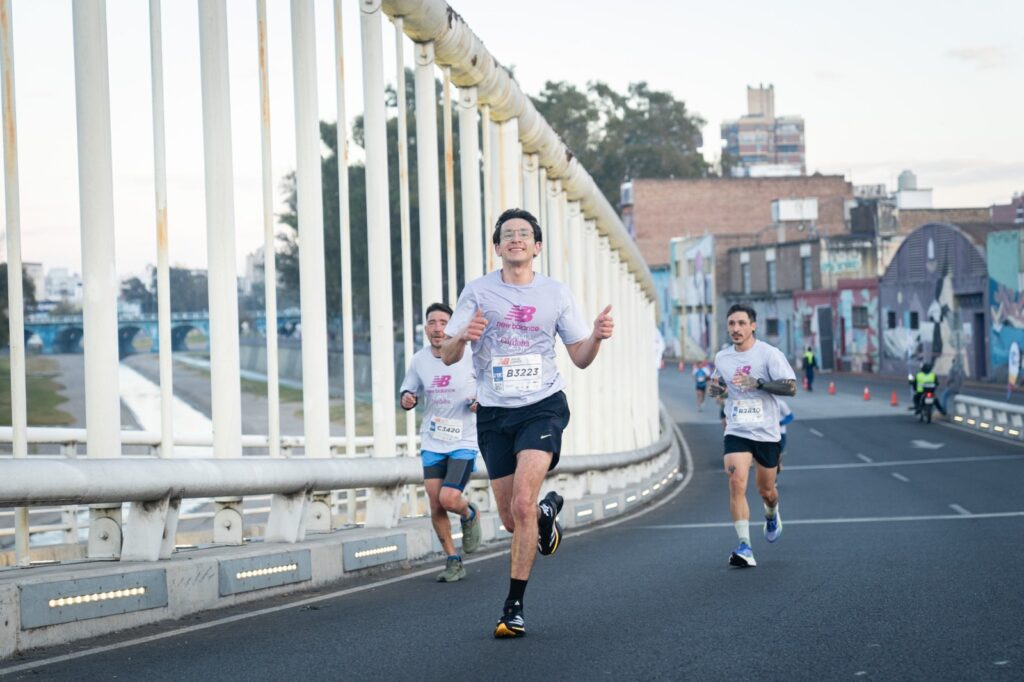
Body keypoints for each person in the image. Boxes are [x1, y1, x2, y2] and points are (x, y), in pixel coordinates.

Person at [441, 207, 614, 638]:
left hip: (542, 406)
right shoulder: (477, 292)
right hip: (495, 413)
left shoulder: (555, 293)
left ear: (536, 247)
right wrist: (463, 335)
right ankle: (545, 513)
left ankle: (513, 607)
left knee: (520, 504)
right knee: (511, 518)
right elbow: (447, 354)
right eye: (508, 235)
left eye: (524, 234)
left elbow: (580, 357)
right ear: (497, 247)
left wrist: (594, 336)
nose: (516, 239)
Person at [708, 303, 796, 568]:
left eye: (741, 323)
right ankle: (744, 546)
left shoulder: (769, 355)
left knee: (766, 490)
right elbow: (717, 387)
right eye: (732, 323)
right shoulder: (722, 358)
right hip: (737, 430)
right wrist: (717, 391)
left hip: (767, 433)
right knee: (736, 481)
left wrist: (759, 384)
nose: (736, 329)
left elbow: (791, 388)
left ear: (753, 326)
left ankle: (772, 513)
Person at [400, 302, 482, 583]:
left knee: (449, 498)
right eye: (432, 322)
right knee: (436, 504)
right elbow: (408, 391)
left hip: (464, 439)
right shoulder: (419, 360)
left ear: (454, 325)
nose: (437, 328)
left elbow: (488, 386)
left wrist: (479, 401)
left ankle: (469, 513)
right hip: (433, 441)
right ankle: (453, 560)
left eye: (443, 322)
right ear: (425, 327)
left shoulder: (471, 355)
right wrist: (407, 400)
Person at [777, 398, 793, 473]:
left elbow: (790, 417)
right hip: (766, 433)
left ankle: (778, 463)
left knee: (779, 452)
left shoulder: (780, 403)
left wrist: (780, 423)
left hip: (780, 433)